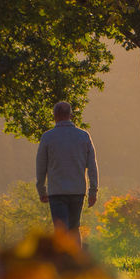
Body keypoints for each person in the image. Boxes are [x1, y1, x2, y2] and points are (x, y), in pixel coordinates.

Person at [36, 101, 99, 241]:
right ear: (70, 115)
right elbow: (92, 165)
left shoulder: (47, 137)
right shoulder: (83, 136)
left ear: (54, 116)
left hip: (57, 191)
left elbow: (41, 166)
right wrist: (93, 190)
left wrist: (41, 189)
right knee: (74, 229)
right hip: (77, 191)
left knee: (61, 231)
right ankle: (75, 260)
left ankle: (62, 261)